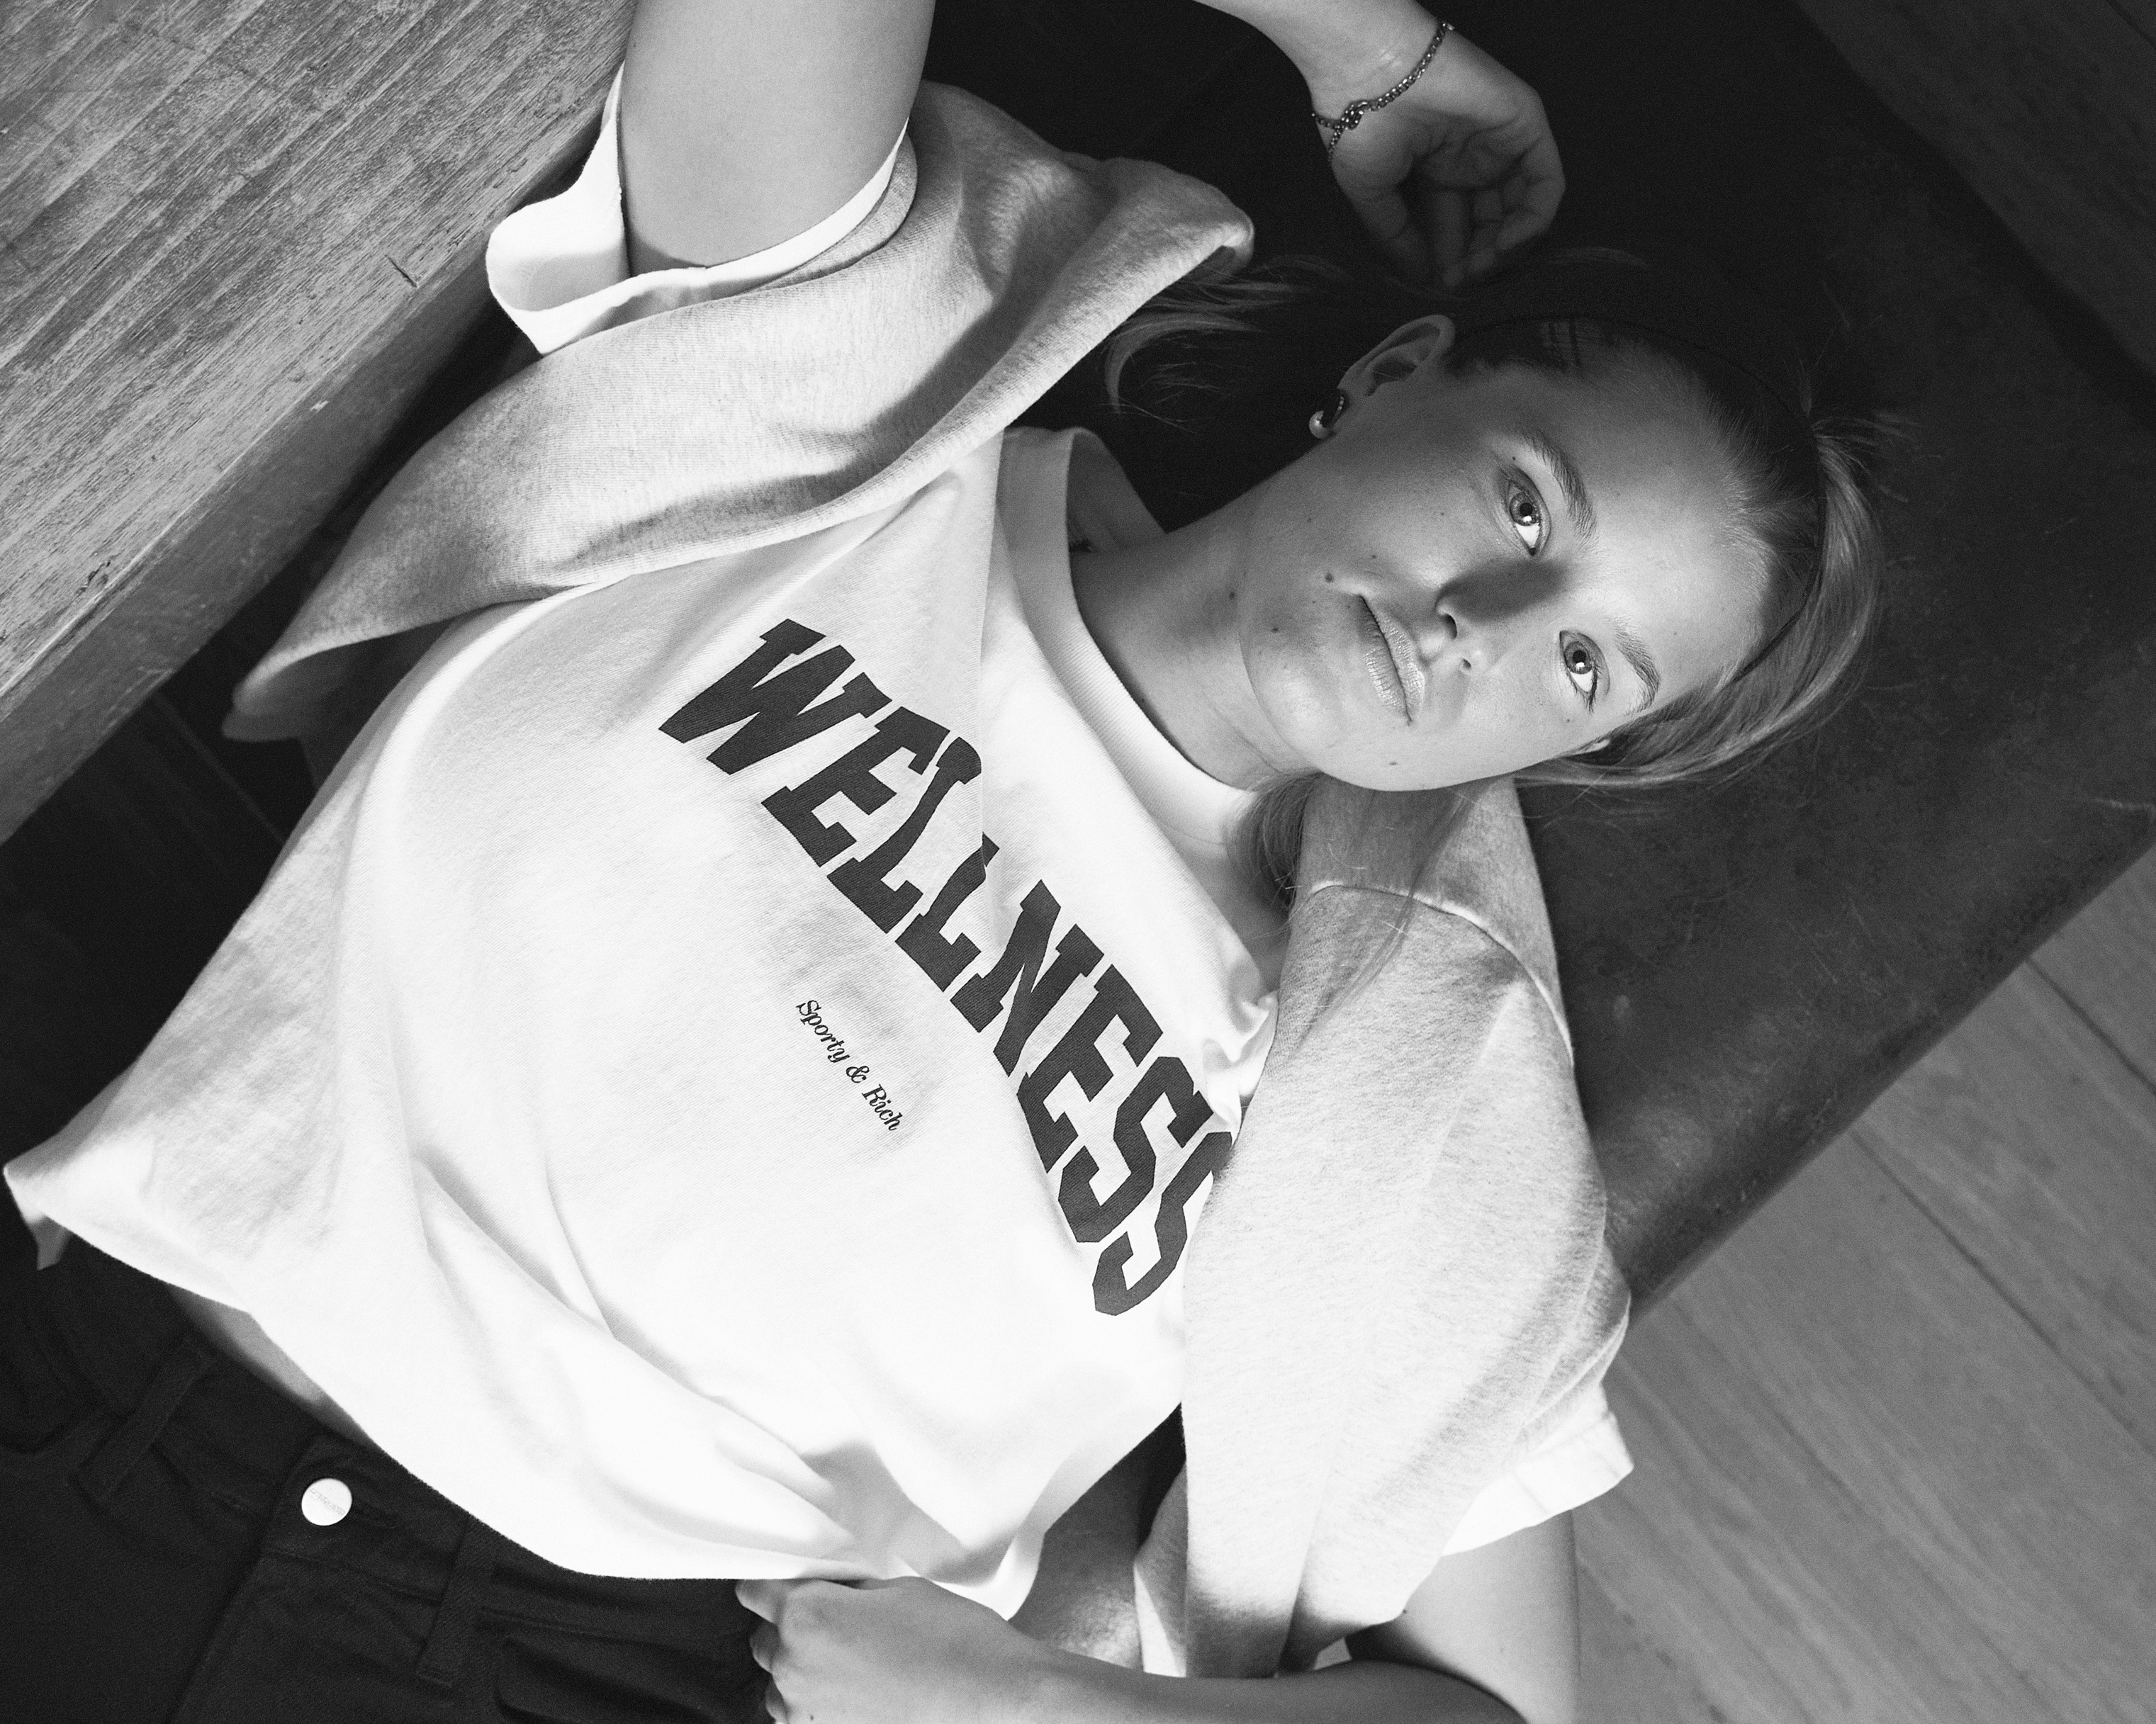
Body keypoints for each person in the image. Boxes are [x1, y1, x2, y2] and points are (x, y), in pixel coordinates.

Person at [1, 2, 1879, 1721]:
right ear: (1398, 370)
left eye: (1587, 666)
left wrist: (1041, 1706)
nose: (1486, 623)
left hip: (583, 1665)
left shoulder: (1406, 1079)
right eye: (1526, 502)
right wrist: (1364, 47)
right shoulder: (866, 394)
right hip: (108, 1356)